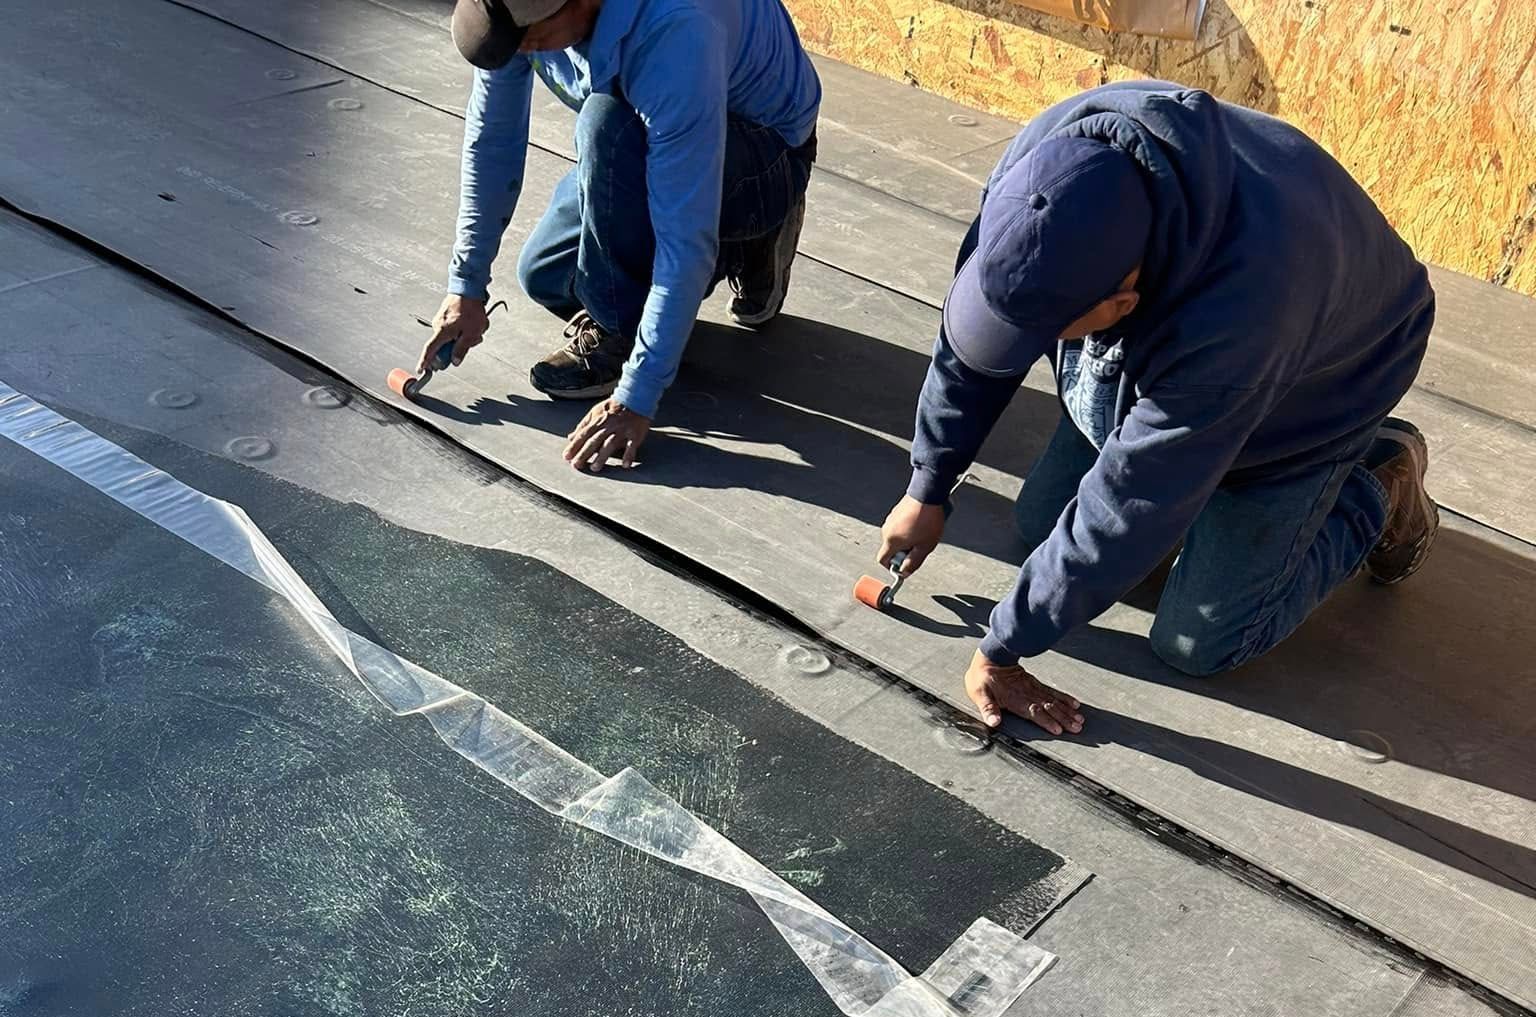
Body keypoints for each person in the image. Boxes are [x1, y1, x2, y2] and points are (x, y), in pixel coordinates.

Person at [877, 83, 1438, 736]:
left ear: (1120, 305)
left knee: (1197, 643)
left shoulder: (1239, 315)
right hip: (1190, 342)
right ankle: (1195, 488)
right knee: (1038, 530)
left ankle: (1379, 483)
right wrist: (929, 484)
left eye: (1049, 335)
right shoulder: (1046, 166)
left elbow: (1132, 501)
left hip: (1324, 383)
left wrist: (1003, 649)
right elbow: (976, 342)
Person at [420, 0, 820, 473]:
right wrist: (465, 286)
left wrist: (636, 396)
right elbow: (493, 140)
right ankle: (652, 303)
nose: (521, 49)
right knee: (546, 274)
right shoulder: (519, 19)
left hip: (763, 152)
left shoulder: (678, 28)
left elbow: (684, 239)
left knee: (605, 125)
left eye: (529, 36)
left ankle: (753, 236)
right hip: (651, 118)